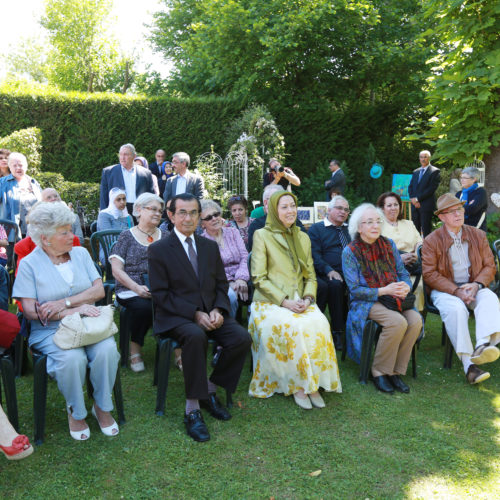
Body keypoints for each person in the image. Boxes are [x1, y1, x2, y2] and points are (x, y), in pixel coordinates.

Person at [148, 193, 251, 442]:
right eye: (182, 212)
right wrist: (194, 314)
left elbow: (219, 284)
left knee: (241, 338)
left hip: (210, 313)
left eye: (193, 212)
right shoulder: (159, 249)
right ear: (171, 216)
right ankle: (192, 409)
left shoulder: (208, 246)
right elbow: (160, 295)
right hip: (176, 316)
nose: (188, 218)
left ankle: (209, 390)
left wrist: (218, 309)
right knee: (195, 337)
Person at [13, 202, 120, 440]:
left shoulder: (81, 254)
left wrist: (67, 304)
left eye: (70, 230)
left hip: (89, 324)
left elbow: (99, 291)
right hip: (50, 330)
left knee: (107, 351)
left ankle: (102, 406)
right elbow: (32, 311)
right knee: (72, 358)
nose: (73, 235)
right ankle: (76, 410)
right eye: (65, 232)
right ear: (46, 238)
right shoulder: (29, 263)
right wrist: (76, 308)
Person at [249, 191, 342, 409]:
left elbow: (310, 275)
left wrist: (308, 298)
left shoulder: (303, 236)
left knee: (319, 322)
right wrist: (284, 302)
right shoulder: (262, 235)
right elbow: (258, 278)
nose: (290, 211)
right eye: (284, 207)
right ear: (273, 209)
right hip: (268, 301)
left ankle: (313, 385)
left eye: (293, 206)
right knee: (292, 326)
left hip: (301, 299)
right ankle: (300, 387)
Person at [342, 203, 422, 394]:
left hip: (393, 297)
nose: (375, 225)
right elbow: (354, 290)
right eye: (369, 222)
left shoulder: (389, 244)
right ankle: (378, 371)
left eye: (377, 221)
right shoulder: (350, 252)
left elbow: (402, 273)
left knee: (415, 321)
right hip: (366, 301)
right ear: (359, 227)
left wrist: (405, 287)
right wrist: (384, 290)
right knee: (396, 322)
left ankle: (395, 371)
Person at [422, 193, 500, 384]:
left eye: (460, 209)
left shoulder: (478, 235)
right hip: (445, 290)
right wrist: (456, 291)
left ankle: (482, 345)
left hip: (473, 285)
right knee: (456, 309)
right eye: (452, 211)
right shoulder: (432, 240)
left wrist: (476, 284)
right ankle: (469, 366)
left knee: (489, 297)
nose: (458, 214)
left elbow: (490, 266)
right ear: (441, 217)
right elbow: (430, 274)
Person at [110, 193, 166, 372]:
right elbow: (116, 270)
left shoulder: (166, 236)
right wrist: (136, 287)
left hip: (160, 287)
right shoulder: (127, 236)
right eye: (153, 209)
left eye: (160, 211)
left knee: (180, 303)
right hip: (130, 287)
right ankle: (135, 351)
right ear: (139, 210)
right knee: (143, 307)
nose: (158, 213)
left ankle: (178, 351)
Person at [308, 195, 351, 350]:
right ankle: (337, 332)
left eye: (346, 209)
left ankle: (355, 330)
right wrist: (329, 270)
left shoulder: (350, 230)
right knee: (335, 285)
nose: (343, 212)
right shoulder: (317, 229)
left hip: (350, 272)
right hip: (325, 273)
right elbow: (314, 255)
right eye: (339, 208)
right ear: (329, 210)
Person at [200, 199, 249, 318]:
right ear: (202, 224)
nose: (214, 219)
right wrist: (229, 282)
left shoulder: (233, 232)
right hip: (220, 280)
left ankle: (254, 324)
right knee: (230, 296)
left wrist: (241, 278)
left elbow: (244, 256)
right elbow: (212, 268)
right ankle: (229, 325)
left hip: (242, 274)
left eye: (216, 214)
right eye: (208, 217)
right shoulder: (202, 242)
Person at [377, 191, 424, 311]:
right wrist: (399, 259)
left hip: (414, 266)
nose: (393, 208)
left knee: (420, 286)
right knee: (402, 287)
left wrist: (415, 254)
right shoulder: (377, 226)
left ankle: (418, 321)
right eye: (389, 205)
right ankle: (401, 316)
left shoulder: (409, 223)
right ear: (382, 209)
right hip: (390, 270)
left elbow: (419, 243)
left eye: (396, 204)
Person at [248, 185, 306, 251]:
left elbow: (305, 246)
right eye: (277, 200)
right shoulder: (257, 226)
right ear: (266, 203)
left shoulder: (294, 222)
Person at [100, 143, 155, 212]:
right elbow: (104, 198)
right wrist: (104, 215)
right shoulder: (108, 172)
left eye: (126, 154)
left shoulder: (146, 173)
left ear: (134, 156)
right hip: (117, 212)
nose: (122, 157)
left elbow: (151, 196)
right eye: (120, 154)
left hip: (140, 212)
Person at [0, 152, 42, 239]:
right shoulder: (2, 183)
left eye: (20, 165)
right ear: (10, 167)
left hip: (36, 233)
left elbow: (43, 204)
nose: (18, 168)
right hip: (11, 233)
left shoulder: (33, 183)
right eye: (14, 165)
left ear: (26, 166)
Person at [408, 150, 441, 237]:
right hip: (414, 206)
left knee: (426, 230)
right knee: (415, 230)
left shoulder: (435, 171)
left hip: (426, 205)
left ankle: (427, 249)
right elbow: (410, 187)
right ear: (419, 159)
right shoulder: (415, 172)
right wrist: (413, 199)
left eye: (425, 157)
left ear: (429, 158)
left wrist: (417, 199)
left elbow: (431, 189)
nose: (423, 159)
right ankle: (416, 249)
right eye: (421, 157)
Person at [456, 166, 487, 231]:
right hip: (459, 229)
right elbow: (451, 209)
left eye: (465, 178)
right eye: (461, 177)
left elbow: (472, 209)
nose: (462, 180)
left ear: (474, 179)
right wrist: (465, 206)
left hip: (476, 230)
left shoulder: (480, 192)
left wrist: (457, 207)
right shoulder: (458, 194)